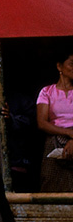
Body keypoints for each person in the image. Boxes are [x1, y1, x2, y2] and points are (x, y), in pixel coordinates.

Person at [36, 49, 73, 192]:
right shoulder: (47, 92)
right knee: (50, 184)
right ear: (59, 67)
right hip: (54, 142)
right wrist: (69, 134)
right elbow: (42, 123)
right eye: (71, 64)